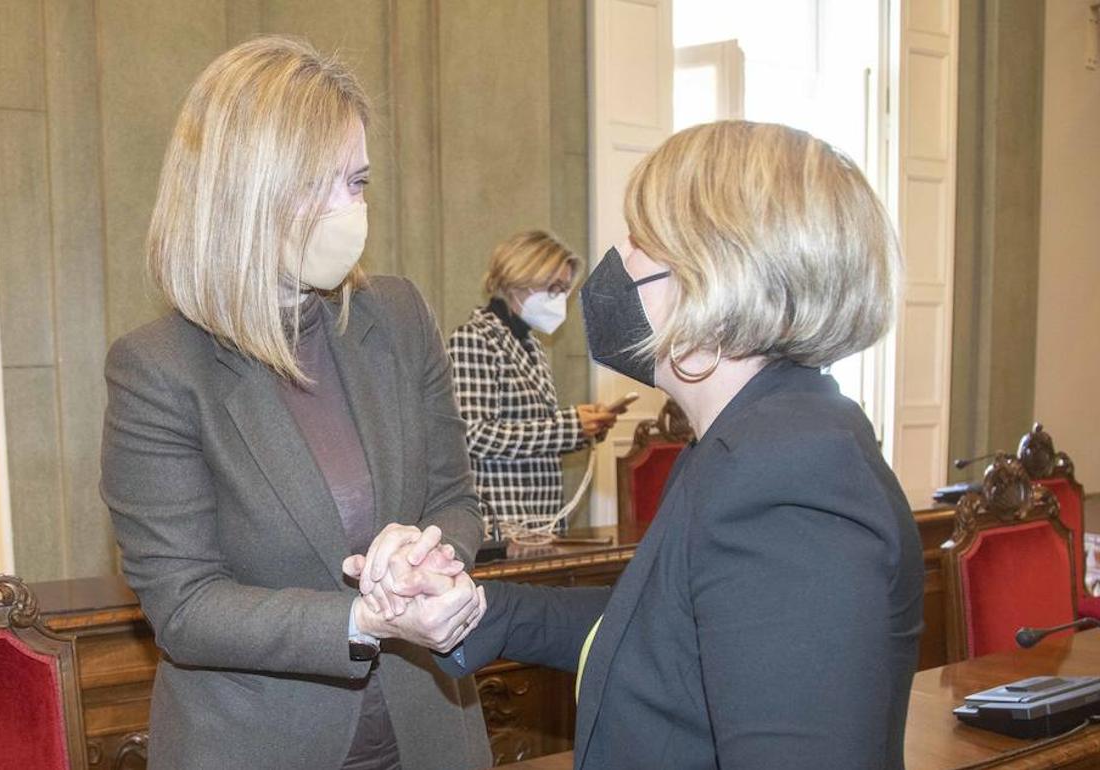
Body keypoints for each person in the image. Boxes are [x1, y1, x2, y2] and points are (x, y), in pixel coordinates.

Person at [350, 121, 926, 769]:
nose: (616, 262)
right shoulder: (747, 440)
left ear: (710, 273)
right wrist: (476, 607)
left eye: (639, 240)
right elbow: (657, 628)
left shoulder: (789, 475)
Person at [100, 37, 490, 770]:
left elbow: (453, 497)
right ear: (243, 195)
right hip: (259, 745)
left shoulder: (398, 315)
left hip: (428, 731)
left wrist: (430, 561)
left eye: (360, 181)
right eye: (323, 184)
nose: (353, 208)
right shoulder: (158, 369)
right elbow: (184, 605)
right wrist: (364, 617)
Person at [447, 231, 617, 537]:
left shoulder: (531, 344)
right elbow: (474, 435)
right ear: (518, 280)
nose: (561, 300)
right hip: (501, 523)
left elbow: (534, 427)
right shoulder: (474, 338)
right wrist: (570, 426)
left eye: (565, 290)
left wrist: (584, 428)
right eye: (553, 288)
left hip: (541, 519)